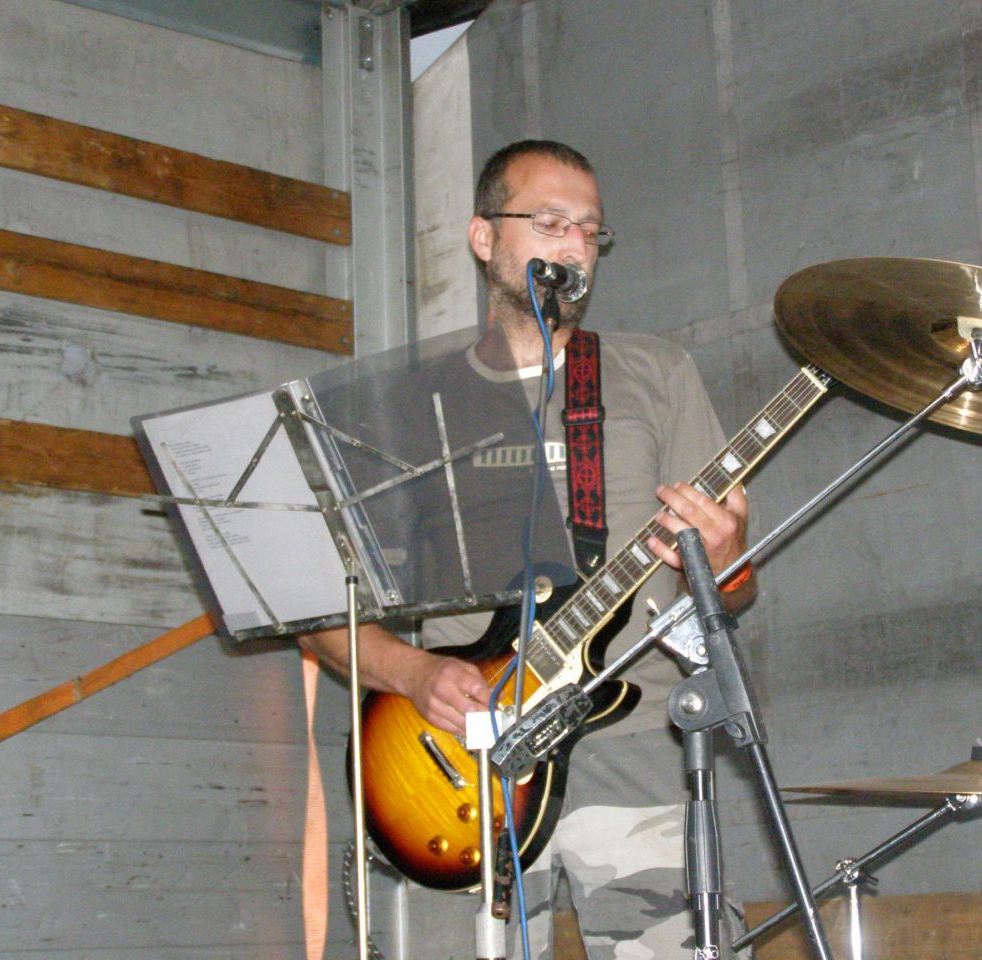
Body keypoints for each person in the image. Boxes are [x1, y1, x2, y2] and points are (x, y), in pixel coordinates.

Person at [301, 139, 755, 960]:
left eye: (589, 230)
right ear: (484, 238)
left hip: (634, 744)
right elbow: (321, 615)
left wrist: (725, 560)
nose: (573, 245)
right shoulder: (407, 405)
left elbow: (734, 590)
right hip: (454, 768)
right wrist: (415, 674)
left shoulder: (654, 373)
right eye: (548, 222)